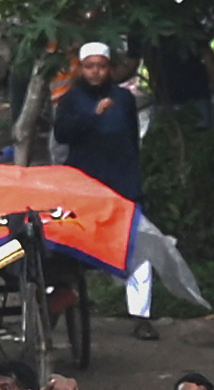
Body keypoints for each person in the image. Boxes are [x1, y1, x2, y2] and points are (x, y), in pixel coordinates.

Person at [54, 42, 160, 336]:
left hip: (124, 181)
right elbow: (61, 134)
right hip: (86, 186)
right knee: (72, 247)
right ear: (81, 68)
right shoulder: (72, 100)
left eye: (101, 66)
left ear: (109, 68)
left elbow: (131, 139)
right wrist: (92, 116)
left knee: (136, 248)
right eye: (90, 67)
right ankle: (63, 302)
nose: (96, 72)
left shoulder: (124, 99)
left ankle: (141, 316)